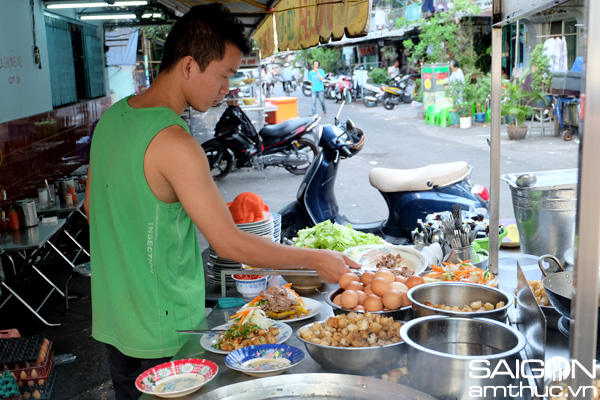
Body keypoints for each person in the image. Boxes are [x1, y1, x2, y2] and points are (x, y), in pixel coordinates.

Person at [84, 4, 358, 399]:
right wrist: (314, 259)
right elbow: (228, 243)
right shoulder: (175, 142)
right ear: (190, 65)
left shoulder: (111, 120)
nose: (226, 88)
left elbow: (95, 211)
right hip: (166, 329)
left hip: (115, 320)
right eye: (225, 74)